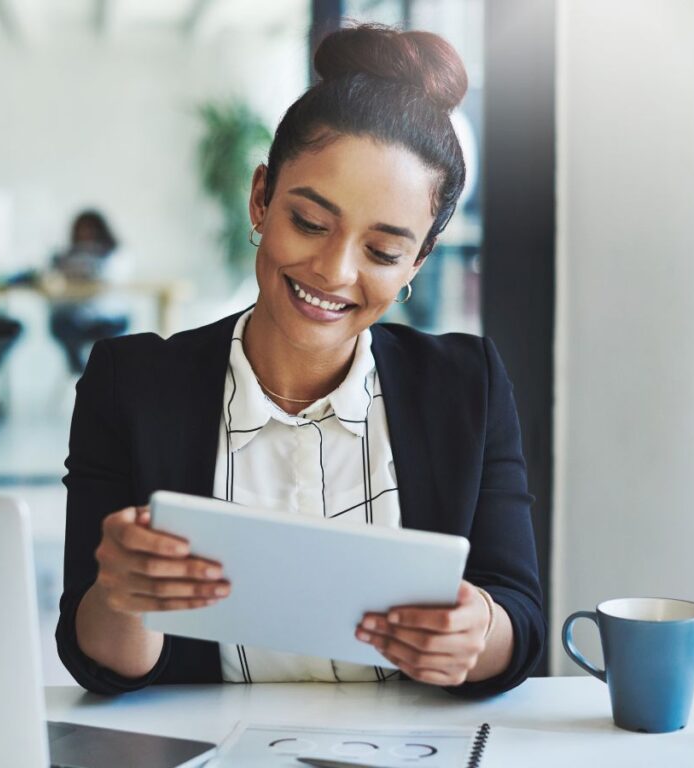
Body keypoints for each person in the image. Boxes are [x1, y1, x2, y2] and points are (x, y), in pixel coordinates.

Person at [56, 24, 544, 699]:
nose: (334, 271)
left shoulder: (468, 386)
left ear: (418, 263)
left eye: (381, 251)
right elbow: (97, 661)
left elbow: (519, 618)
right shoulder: (130, 385)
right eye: (310, 223)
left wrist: (477, 632)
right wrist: (123, 595)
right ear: (261, 199)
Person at [47, 209, 131, 374]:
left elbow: (110, 274)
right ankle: (81, 371)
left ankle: (104, 374)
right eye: (81, 229)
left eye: (90, 229)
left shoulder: (116, 255)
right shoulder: (65, 255)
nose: (86, 234)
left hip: (108, 317)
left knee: (108, 353)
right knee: (62, 326)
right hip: (73, 318)